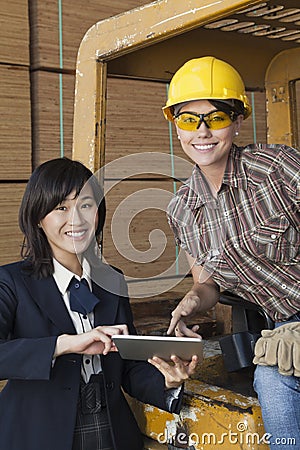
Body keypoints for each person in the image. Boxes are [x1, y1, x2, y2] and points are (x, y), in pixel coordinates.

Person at [0, 157, 198, 450]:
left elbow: (128, 367)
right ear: (38, 218)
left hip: (111, 434)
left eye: (86, 205)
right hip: (37, 434)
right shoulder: (11, 281)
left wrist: (168, 380)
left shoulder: (112, 281)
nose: (76, 220)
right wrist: (67, 343)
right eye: (61, 208)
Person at [163, 56, 300, 448]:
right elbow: (207, 283)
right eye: (189, 119)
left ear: (237, 121)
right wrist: (193, 301)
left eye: (217, 117)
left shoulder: (278, 170)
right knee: (273, 376)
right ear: (175, 125)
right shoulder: (182, 211)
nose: (202, 132)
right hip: (283, 328)